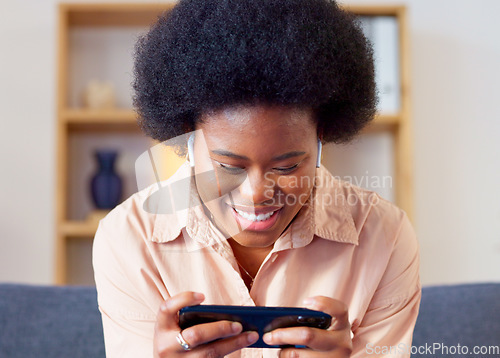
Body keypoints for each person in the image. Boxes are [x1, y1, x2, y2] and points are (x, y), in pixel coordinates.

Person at [92, 0, 421, 357]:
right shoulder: (130, 239)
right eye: (229, 167)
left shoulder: (384, 239)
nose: (256, 193)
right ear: (187, 134)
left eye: (286, 167)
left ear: (322, 135)